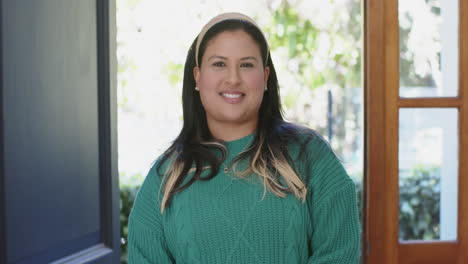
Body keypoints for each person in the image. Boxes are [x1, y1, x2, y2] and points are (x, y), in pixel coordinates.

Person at [127, 12, 360, 263]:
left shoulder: (310, 156)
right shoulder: (165, 178)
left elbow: (339, 252)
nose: (233, 78)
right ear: (197, 76)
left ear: (266, 77)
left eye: (246, 64)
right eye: (219, 64)